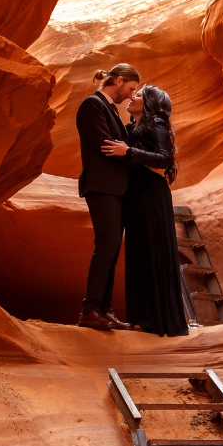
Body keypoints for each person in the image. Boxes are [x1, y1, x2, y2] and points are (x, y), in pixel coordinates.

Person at [102, 85, 189, 336]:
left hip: (152, 195)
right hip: (137, 196)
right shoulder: (132, 128)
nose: (132, 97)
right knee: (139, 255)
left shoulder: (157, 123)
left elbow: (164, 160)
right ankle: (143, 319)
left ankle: (162, 321)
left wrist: (128, 151)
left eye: (138, 95)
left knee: (155, 252)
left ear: (151, 103)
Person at [76, 64, 141, 331]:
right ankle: (90, 309)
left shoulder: (109, 108)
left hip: (114, 188)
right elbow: (108, 145)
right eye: (131, 88)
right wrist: (132, 154)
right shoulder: (92, 105)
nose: (131, 95)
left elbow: (122, 146)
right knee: (107, 245)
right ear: (119, 80)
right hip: (102, 187)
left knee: (112, 248)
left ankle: (105, 310)